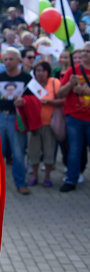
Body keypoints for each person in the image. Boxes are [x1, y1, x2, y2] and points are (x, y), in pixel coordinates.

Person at [0, 47, 32, 195]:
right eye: (5, 59)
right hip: (0, 117)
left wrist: (24, 101)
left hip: (16, 118)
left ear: (18, 60)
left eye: (11, 59)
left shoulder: (26, 78)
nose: (8, 62)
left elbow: (34, 98)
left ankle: (20, 183)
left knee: (18, 153)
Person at [57, 47, 90, 192]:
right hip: (75, 118)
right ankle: (71, 179)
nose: (85, 54)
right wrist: (70, 84)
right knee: (74, 150)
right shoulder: (73, 71)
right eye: (84, 51)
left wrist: (85, 91)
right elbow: (60, 93)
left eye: (89, 51)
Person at [28, 62, 62, 187]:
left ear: (48, 72)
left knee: (49, 151)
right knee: (34, 151)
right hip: (34, 124)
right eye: (37, 70)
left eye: (43, 70)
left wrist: (49, 102)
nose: (40, 73)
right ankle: (34, 176)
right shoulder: (31, 84)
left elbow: (63, 100)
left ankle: (47, 177)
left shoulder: (54, 82)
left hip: (49, 124)